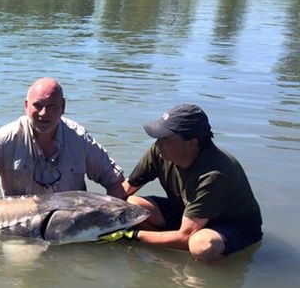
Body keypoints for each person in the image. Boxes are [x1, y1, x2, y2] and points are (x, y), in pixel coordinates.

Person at [0, 77, 125, 229]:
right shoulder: (9, 137)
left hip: (68, 225)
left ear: (63, 107)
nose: (44, 113)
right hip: (19, 227)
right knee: (21, 270)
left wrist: (109, 223)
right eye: (38, 105)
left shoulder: (79, 139)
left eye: (51, 107)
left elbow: (117, 183)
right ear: (26, 106)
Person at [112, 104, 262, 261]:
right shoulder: (160, 151)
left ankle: (209, 273)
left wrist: (130, 235)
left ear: (192, 143)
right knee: (131, 205)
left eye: (165, 139)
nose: (158, 144)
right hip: (187, 213)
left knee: (202, 245)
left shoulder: (215, 174)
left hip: (229, 226)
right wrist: (93, 214)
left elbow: (186, 237)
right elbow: (126, 190)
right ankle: (162, 253)